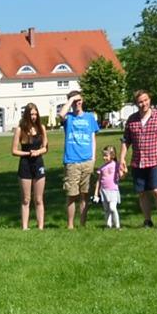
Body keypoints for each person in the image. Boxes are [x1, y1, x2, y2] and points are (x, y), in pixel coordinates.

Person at [122, 88, 157, 227]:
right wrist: (122, 158)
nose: (143, 104)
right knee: (142, 193)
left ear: (149, 100)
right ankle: (147, 220)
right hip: (138, 162)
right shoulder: (132, 119)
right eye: (140, 102)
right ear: (136, 103)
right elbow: (126, 140)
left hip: (155, 160)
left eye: (145, 100)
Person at [60, 90, 100, 230]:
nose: (77, 103)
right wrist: (71, 99)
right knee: (72, 194)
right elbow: (61, 114)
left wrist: (93, 158)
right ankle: (70, 225)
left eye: (79, 100)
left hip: (87, 160)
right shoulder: (68, 118)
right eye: (74, 101)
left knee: (84, 194)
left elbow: (93, 138)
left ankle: (83, 224)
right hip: (72, 161)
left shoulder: (89, 117)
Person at [11, 102, 48, 230]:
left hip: (38, 164)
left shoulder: (41, 128)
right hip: (25, 164)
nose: (34, 116)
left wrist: (38, 151)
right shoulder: (20, 130)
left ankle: (40, 227)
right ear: (26, 114)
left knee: (38, 199)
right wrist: (28, 153)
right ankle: (25, 227)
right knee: (26, 199)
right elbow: (14, 151)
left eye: (35, 114)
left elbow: (45, 147)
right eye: (31, 114)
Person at [95, 148, 124, 229]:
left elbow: (121, 176)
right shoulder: (102, 167)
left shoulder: (116, 165)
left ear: (112, 155)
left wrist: (124, 171)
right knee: (106, 209)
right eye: (103, 156)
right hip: (104, 191)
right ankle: (108, 224)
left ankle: (117, 225)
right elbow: (98, 181)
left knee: (112, 207)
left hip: (113, 190)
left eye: (106, 156)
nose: (104, 158)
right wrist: (96, 194)